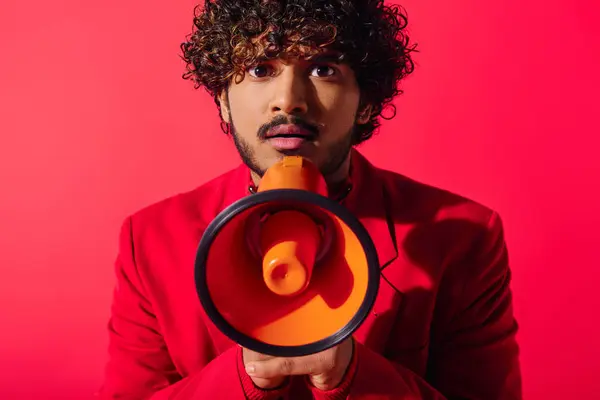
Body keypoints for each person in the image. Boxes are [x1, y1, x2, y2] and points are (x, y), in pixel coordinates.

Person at [97, 0, 522, 398]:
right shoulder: (150, 239)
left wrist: (354, 375)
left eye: (323, 69)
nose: (289, 101)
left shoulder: (464, 238)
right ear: (222, 100)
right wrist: (245, 377)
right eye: (261, 69)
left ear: (366, 103)